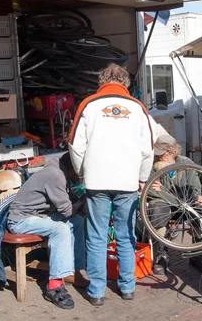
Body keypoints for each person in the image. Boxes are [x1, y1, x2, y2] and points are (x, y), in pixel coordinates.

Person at [68, 63, 154, 306]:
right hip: (127, 180)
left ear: (101, 81)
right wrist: (142, 177)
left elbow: (75, 145)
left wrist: (82, 173)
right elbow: (147, 149)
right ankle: (127, 287)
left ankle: (97, 292)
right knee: (126, 233)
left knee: (96, 235)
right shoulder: (138, 108)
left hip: (97, 180)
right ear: (125, 83)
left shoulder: (88, 105)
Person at [7, 153, 87, 310]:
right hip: (20, 221)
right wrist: (82, 200)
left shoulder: (61, 171)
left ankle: (74, 271)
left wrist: (81, 204)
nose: (81, 176)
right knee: (61, 229)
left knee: (77, 222)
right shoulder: (56, 175)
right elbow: (67, 211)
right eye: (80, 172)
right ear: (73, 168)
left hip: (39, 216)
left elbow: (70, 208)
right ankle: (54, 286)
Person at [146, 135, 202, 275]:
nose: (158, 157)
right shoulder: (151, 165)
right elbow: (150, 191)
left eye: (162, 154)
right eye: (156, 153)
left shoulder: (186, 164)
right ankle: (162, 255)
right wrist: (172, 198)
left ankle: (197, 254)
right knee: (158, 208)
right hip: (167, 203)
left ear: (173, 151)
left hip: (185, 204)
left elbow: (194, 188)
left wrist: (197, 197)